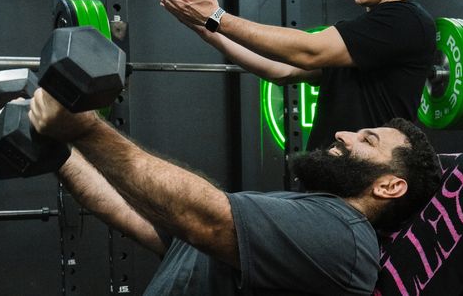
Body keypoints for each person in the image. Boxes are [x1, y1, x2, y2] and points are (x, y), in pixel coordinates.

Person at [27, 88, 442, 295]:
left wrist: (87, 128)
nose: (343, 134)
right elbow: (138, 216)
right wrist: (61, 153)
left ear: (390, 186)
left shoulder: (347, 237)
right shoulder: (308, 215)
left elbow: (203, 217)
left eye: (367, 140)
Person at [150, 0, 436, 150]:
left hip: (367, 192)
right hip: (328, 185)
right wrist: (209, 29)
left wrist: (217, 16)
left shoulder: (407, 21)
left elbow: (308, 51)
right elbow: (282, 71)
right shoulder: (363, 34)